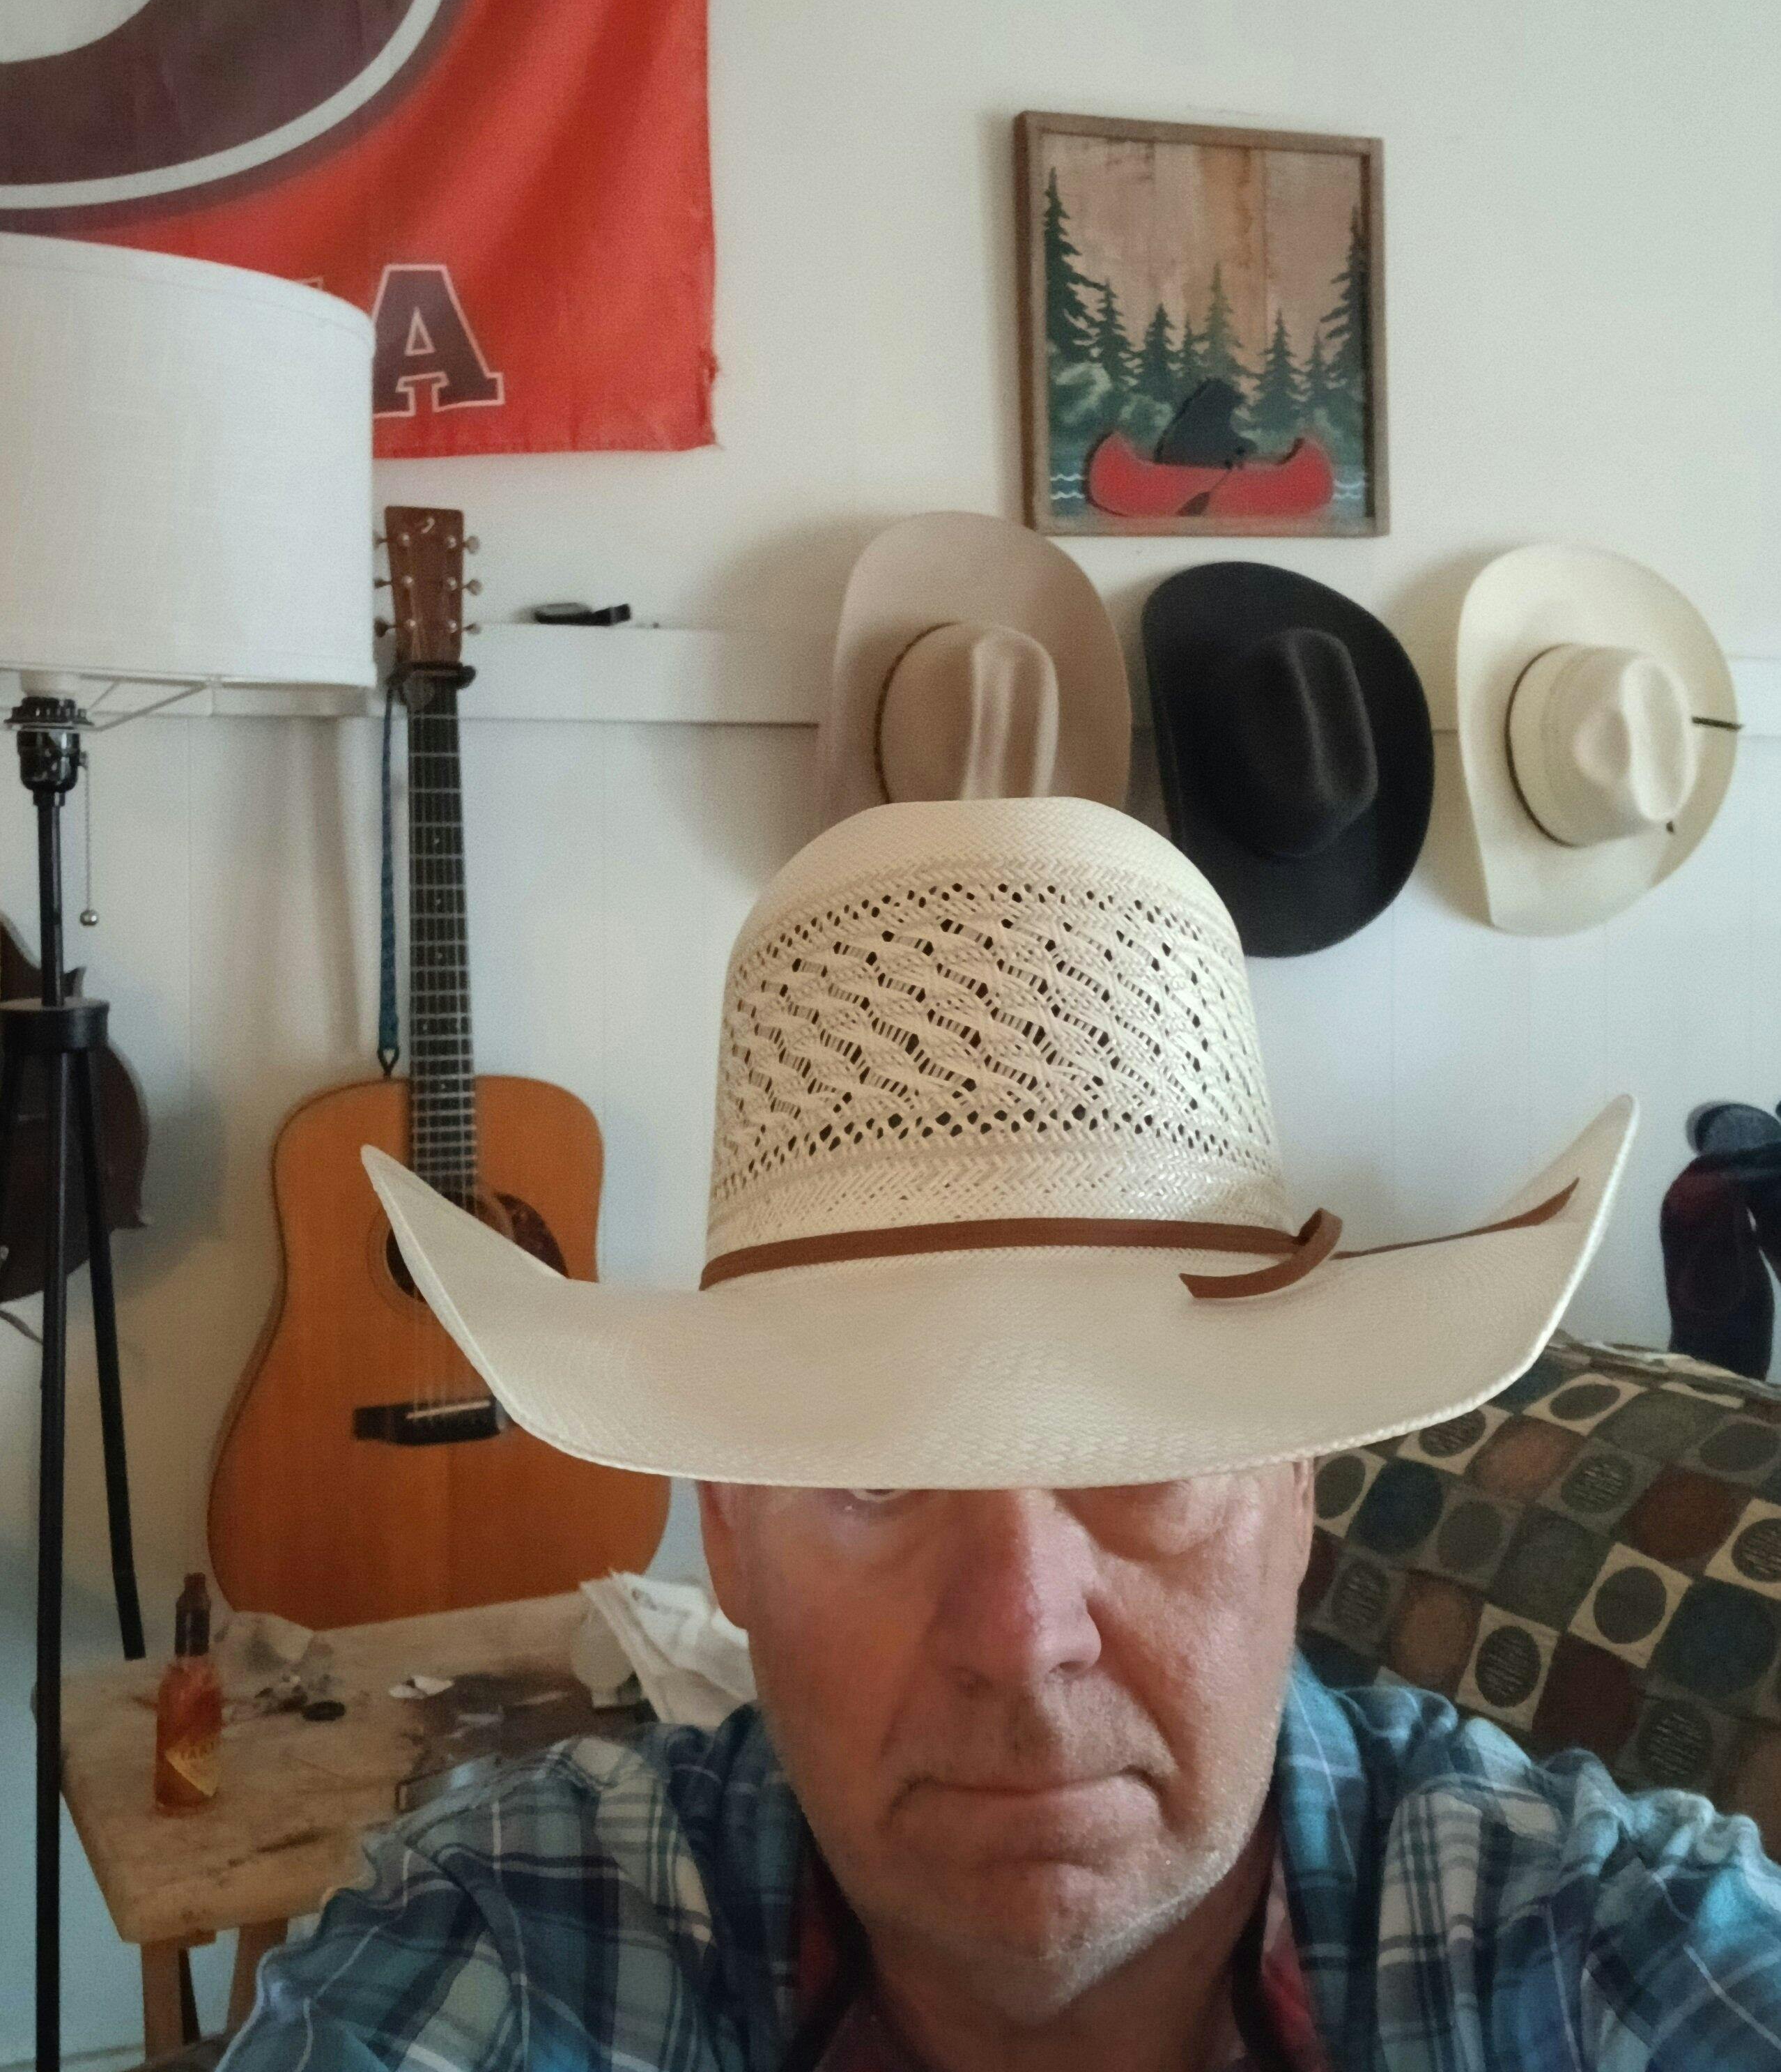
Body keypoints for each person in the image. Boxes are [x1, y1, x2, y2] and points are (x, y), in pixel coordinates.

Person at [224, 798, 1781, 2071]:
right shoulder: (518, 1945)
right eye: (876, 1475)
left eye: (1146, 1458)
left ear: (1298, 1490)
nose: (1021, 1635)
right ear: (729, 1533)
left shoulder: (1590, 1940)